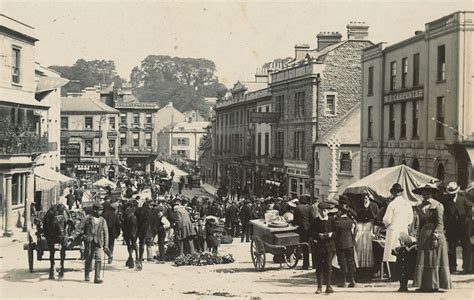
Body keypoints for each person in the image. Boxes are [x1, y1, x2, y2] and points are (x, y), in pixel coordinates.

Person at [412, 183, 451, 292]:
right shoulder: (421, 206)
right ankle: (424, 285)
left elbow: (440, 223)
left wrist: (436, 236)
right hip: (424, 235)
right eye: (424, 192)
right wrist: (418, 236)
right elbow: (420, 224)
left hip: (434, 235)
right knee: (425, 258)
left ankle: (434, 285)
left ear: (432, 193)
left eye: (428, 192)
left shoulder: (437, 205)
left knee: (434, 259)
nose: (425, 194)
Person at [68, 202, 109, 284]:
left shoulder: (102, 220)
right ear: (94, 210)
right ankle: (87, 275)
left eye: (102, 210)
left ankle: (97, 278)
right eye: (99, 210)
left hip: (98, 242)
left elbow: (106, 233)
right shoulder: (87, 218)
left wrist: (106, 245)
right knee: (88, 259)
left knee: (98, 259)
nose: (101, 212)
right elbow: (79, 229)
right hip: (89, 242)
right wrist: (72, 236)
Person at [443, 181, 473, 274]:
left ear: (456, 191)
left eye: (453, 193)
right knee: (451, 247)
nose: (451, 195)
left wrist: (467, 221)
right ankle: (452, 267)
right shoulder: (446, 201)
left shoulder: (462, 199)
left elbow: (470, 208)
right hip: (452, 228)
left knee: (466, 247)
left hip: (463, 227)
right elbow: (445, 215)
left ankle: (467, 268)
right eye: (450, 193)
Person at [383, 183, 413, 271]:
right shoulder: (407, 204)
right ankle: (401, 272)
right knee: (402, 250)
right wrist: (404, 224)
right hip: (403, 230)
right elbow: (410, 219)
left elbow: (387, 219)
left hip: (393, 230)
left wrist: (388, 225)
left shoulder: (392, 204)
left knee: (393, 252)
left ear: (394, 193)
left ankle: (393, 273)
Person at [311, 202, 337, 294]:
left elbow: (336, 232)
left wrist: (331, 234)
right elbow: (311, 233)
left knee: (328, 266)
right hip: (319, 247)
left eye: (325, 211)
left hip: (329, 247)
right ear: (319, 211)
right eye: (321, 211)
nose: (323, 213)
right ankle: (319, 287)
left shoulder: (331, 220)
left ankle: (328, 286)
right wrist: (319, 235)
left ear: (328, 211)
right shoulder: (315, 221)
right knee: (319, 266)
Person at [334, 195, 357, 288]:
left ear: (339, 211)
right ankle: (352, 280)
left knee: (342, 263)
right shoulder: (350, 221)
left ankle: (343, 281)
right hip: (350, 243)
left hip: (340, 244)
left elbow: (335, 235)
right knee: (350, 262)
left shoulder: (337, 222)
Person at [355, 192, 379, 270]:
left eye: (366, 198)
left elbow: (376, 217)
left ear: (368, 198)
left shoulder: (374, 205)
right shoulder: (360, 206)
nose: (364, 199)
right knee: (361, 245)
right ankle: (361, 264)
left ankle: (369, 265)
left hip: (370, 226)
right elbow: (358, 217)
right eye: (363, 198)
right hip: (362, 226)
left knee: (368, 245)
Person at [293, 196, 312, 270]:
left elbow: (295, 220)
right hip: (308, 229)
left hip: (301, 229)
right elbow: (312, 218)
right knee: (306, 246)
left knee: (301, 245)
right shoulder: (309, 208)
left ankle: (304, 264)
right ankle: (308, 264)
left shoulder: (297, 208)